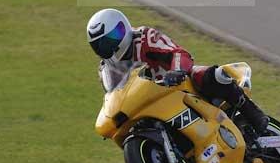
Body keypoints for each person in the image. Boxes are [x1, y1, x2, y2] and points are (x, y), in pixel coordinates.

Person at [87, 7, 269, 135]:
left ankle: (253, 113)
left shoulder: (145, 37)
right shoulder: (107, 69)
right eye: (101, 44)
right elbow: (115, 94)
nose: (110, 45)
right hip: (150, 102)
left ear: (124, 27)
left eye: (113, 37)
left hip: (179, 84)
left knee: (212, 75)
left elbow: (178, 53)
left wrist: (177, 71)